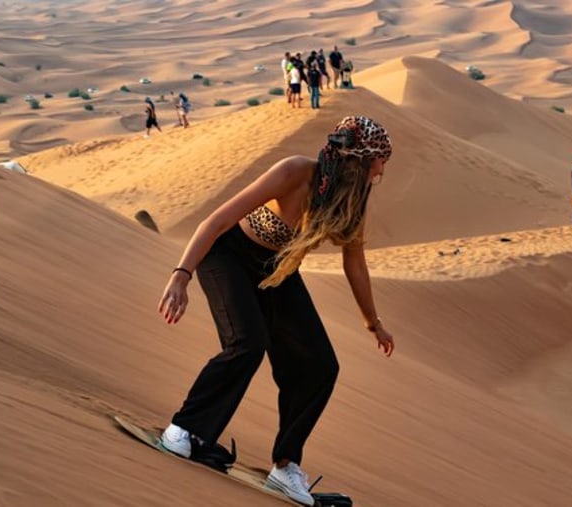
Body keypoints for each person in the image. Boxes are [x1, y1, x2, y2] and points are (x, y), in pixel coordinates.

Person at [156, 116, 396, 506]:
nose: (382, 169)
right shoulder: (294, 172)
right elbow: (216, 220)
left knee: (320, 365)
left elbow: (355, 263)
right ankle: (184, 430)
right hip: (229, 255)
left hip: (277, 272)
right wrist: (181, 275)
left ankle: (285, 467)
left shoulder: (351, 202)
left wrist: (374, 323)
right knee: (247, 342)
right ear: (359, 159)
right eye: (379, 160)